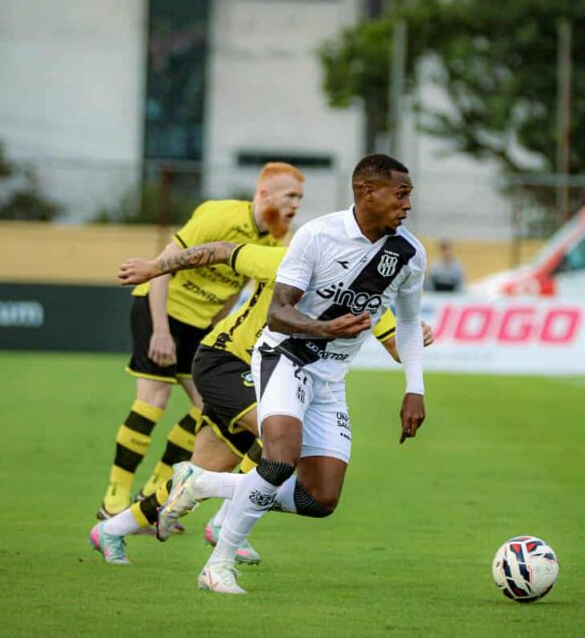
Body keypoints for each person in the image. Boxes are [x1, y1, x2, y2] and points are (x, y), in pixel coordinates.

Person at [155, 153, 426, 594]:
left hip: (331, 378)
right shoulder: (318, 235)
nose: (408, 205)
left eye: (409, 196)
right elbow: (278, 314)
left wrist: (414, 388)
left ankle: (203, 482)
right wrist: (325, 327)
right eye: (401, 194)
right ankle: (218, 564)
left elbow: (410, 324)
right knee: (280, 456)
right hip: (285, 356)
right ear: (366, 192)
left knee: (320, 500)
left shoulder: (409, 253)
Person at [90, 240, 433, 566]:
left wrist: (417, 337)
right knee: (281, 442)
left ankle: (111, 530)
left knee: (205, 473)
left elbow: (396, 346)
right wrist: (154, 267)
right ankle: (225, 522)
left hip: (269, 375)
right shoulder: (289, 260)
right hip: (225, 361)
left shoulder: (362, 295)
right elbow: (220, 251)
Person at [96, 163, 305, 521]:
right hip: (159, 308)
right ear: (265, 194)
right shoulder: (219, 215)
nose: (296, 205)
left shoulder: (275, 239)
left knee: (207, 407)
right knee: (153, 400)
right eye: (290, 196)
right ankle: (114, 499)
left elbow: (238, 289)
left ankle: (155, 493)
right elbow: (162, 266)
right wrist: (161, 330)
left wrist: (216, 330)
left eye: (300, 198)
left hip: (200, 326)